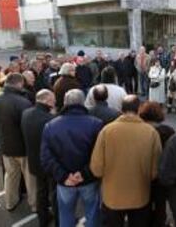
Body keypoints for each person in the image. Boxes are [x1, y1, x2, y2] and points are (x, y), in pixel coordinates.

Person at [90, 95, 162, 227]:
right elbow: (155, 170)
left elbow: (96, 168)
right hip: (140, 194)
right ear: (139, 109)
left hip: (112, 196)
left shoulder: (107, 131)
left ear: (121, 109)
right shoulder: (151, 132)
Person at [41, 89, 103, 227]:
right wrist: (84, 174)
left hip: (65, 183)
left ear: (64, 102)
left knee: (65, 215)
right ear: (83, 102)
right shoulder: (96, 124)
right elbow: (99, 155)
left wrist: (64, 176)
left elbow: (46, 157)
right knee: (92, 213)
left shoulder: (51, 126)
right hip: (88, 180)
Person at [0, 73, 36, 212]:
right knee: (30, 178)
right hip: (23, 147)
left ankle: (10, 202)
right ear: (19, 83)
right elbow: (28, 127)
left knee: (10, 176)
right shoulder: (23, 102)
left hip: (5, 146)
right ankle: (34, 204)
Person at [21, 90, 57, 227]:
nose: (54, 103)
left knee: (41, 191)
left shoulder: (26, 113)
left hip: (34, 161)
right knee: (54, 192)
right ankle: (58, 217)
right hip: (49, 162)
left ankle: (43, 219)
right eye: (53, 100)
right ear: (47, 101)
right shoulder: (51, 119)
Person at [138, 101, 175, 227]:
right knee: (160, 203)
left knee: (144, 203)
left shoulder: (140, 131)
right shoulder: (168, 131)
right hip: (162, 174)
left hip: (143, 173)